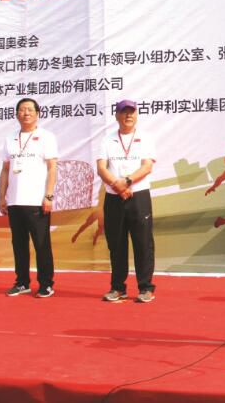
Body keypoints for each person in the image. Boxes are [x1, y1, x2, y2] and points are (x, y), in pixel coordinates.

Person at [96, 100, 157, 303]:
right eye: (124, 112)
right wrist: (117, 185)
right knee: (116, 244)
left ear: (136, 115)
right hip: (114, 197)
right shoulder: (107, 140)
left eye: (131, 112)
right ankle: (117, 287)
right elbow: (101, 168)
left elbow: (147, 166)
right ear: (117, 116)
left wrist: (127, 182)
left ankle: (145, 288)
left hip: (138, 196)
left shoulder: (145, 138)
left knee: (143, 243)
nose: (128, 115)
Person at [0, 98, 58, 298]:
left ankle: (46, 284)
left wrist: (48, 196)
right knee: (19, 244)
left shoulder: (46, 137)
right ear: (17, 114)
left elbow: (52, 168)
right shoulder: (10, 138)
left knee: (41, 244)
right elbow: (5, 169)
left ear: (37, 113)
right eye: (22, 110)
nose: (26, 113)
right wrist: (2, 197)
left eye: (30, 110)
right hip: (15, 201)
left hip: (36, 201)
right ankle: (22, 282)